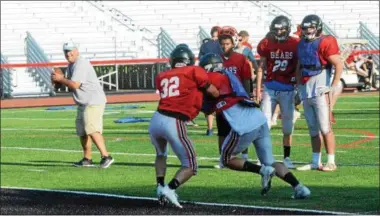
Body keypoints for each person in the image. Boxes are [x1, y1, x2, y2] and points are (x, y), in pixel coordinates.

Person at [199, 53, 311, 199]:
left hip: (244, 125)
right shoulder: (228, 75)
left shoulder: (215, 77)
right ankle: (299, 187)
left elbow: (209, 101)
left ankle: (262, 170)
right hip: (258, 118)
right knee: (270, 161)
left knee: (226, 159)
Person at [149, 44, 219, 208]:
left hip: (156, 119)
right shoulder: (194, 71)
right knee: (191, 165)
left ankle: (160, 185)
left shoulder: (162, 75)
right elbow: (214, 92)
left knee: (161, 154)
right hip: (174, 121)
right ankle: (169, 188)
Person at [51, 41, 114, 168]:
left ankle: (106, 156)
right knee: (82, 131)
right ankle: (87, 158)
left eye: (70, 51)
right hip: (83, 101)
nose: (68, 54)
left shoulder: (81, 63)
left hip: (92, 100)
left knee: (91, 129)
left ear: (76, 51)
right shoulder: (71, 65)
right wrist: (58, 81)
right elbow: (69, 83)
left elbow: (75, 84)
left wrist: (60, 79)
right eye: (65, 51)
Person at [295, 14, 343, 172]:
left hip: (321, 85)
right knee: (313, 128)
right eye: (306, 27)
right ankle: (316, 161)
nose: (308, 30)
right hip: (306, 87)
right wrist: (298, 86)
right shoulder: (301, 43)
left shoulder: (325, 41)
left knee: (325, 127)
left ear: (318, 27)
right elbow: (299, 66)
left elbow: (338, 63)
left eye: (311, 27)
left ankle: (331, 161)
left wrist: (334, 85)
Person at [256, 15, 300, 169]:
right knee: (264, 124)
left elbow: (299, 66)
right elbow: (261, 66)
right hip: (270, 87)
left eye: (281, 29)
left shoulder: (295, 43)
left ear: (288, 29)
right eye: (276, 29)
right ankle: (263, 157)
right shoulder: (266, 43)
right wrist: (258, 89)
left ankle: (287, 157)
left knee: (287, 127)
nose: (279, 32)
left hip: (288, 88)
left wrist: (298, 87)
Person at [214, 26, 252, 168]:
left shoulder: (241, 59)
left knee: (241, 129)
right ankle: (222, 158)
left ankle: (245, 156)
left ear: (233, 43)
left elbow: (247, 79)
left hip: (237, 98)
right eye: (222, 44)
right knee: (222, 131)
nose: (224, 47)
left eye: (227, 43)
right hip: (222, 99)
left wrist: (247, 97)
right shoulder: (215, 59)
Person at [198, 26, 223, 136]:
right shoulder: (222, 43)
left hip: (207, 74)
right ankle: (221, 126)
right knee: (221, 101)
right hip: (220, 74)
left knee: (208, 102)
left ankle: (210, 129)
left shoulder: (205, 45)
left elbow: (200, 59)